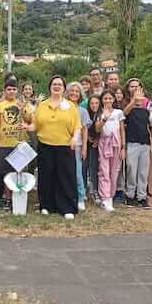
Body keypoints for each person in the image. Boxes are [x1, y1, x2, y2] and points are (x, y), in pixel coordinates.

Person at [26, 76, 80, 220]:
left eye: (59, 84)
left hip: (65, 146)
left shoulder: (70, 106)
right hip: (45, 146)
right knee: (46, 176)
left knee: (66, 177)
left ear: (63, 88)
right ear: (50, 87)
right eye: (54, 84)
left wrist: (75, 138)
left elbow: (77, 126)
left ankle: (67, 207)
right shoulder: (42, 105)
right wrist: (27, 127)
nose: (57, 86)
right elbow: (35, 125)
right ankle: (46, 206)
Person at [0, 78, 32, 211]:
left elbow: (29, 120)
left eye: (14, 89)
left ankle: (18, 199)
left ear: (17, 91)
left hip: (20, 144)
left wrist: (23, 110)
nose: (11, 91)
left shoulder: (22, 104)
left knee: (19, 171)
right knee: (6, 174)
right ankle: (8, 199)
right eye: (9, 89)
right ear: (5, 91)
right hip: (4, 144)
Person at [94, 89, 125, 212]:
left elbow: (122, 130)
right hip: (104, 143)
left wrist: (123, 147)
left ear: (114, 99)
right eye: (105, 98)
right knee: (104, 171)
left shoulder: (119, 112)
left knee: (114, 171)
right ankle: (105, 198)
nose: (107, 101)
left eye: (110, 98)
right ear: (102, 100)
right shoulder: (99, 112)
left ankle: (110, 196)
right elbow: (97, 130)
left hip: (116, 144)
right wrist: (105, 119)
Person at [122, 79, 151, 209]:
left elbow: (150, 128)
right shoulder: (129, 109)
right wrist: (133, 101)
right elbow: (123, 114)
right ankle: (129, 195)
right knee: (131, 170)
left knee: (143, 172)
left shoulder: (146, 111)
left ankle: (142, 197)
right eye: (133, 90)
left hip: (145, 144)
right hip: (132, 143)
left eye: (139, 91)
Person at [66, 82, 91, 211]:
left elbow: (85, 130)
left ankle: (81, 198)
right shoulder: (62, 108)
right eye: (72, 91)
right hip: (63, 145)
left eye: (77, 91)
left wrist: (85, 148)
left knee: (78, 173)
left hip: (78, 146)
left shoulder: (82, 111)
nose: (74, 93)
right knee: (65, 173)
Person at [86, 94, 101, 204]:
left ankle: (95, 190)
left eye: (96, 103)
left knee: (94, 168)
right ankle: (89, 190)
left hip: (98, 145)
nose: (94, 105)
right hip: (86, 144)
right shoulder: (87, 114)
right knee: (86, 167)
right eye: (92, 103)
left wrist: (97, 139)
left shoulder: (101, 114)